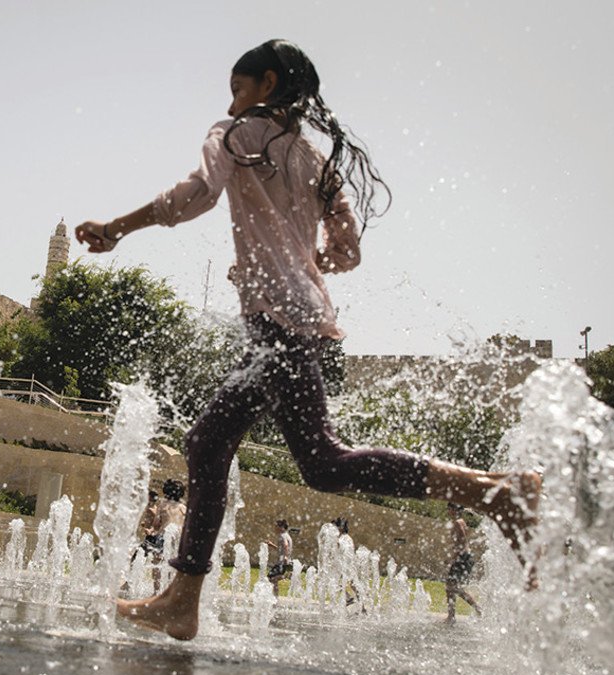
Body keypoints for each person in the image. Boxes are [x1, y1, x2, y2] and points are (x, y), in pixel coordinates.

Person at [80, 40, 541, 641]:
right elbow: (346, 250)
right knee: (210, 441)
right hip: (302, 318)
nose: (232, 102)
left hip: (280, 324)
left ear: (267, 84)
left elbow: (198, 193)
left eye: (238, 88)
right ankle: (182, 600)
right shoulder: (314, 160)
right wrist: (301, 261)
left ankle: (494, 491)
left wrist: (117, 227)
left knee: (322, 461)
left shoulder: (237, 134)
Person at [444, 503, 482, 623]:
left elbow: (461, 542)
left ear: (453, 509)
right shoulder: (461, 521)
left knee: (452, 587)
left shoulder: (457, 523)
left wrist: (454, 558)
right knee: (450, 587)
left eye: (449, 508)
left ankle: (478, 608)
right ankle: (451, 616)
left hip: (462, 557)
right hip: (464, 557)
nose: (448, 511)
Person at [264, 520, 295, 595]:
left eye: (276, 526)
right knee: (272, 579)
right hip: (283, 562)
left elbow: (286, 545)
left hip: (282, 562)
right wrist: (272, 545)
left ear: (281, 527)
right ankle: (275, 596)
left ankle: (287, 576)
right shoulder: (287, 535)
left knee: (270, 578)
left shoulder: (282, 535)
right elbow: (282, 549)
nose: (275, 528)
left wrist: (285, 557)